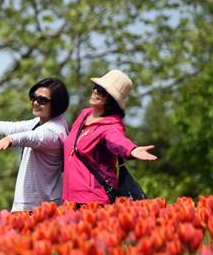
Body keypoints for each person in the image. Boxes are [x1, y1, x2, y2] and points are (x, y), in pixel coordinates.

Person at [62, 70, 156, 205]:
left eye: (101, 91)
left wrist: (132, 150)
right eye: (95, 87)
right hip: (69, 199)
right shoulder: (84, 116)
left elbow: (117, 141)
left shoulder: (111, 126)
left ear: (111, 99)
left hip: (93, 201)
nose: (95, 92)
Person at [0, 78, 69, 211]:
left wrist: (11, 139)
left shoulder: (54, 130)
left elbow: (33, 137)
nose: (35, 103)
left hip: (39, 207)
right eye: (33, 97)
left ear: (57, 103)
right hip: (34, 203)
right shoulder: (40, 121)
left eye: (42, 100)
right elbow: (11, 127)